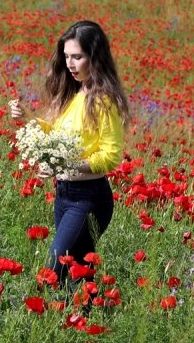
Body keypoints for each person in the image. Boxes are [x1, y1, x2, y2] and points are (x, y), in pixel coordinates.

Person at [9, 20, 130, 297]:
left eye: (78, 57)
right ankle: (92, 326)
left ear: (94, 58)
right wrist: (28, 120)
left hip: (89, 198)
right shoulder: (74, 94)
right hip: (64, 194)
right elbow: (58, 135)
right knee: (77, 272)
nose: (71, 64)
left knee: (54, 268)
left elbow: (110, 157)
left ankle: (41, 322)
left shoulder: (103, 100)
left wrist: (64, 165)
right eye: (66, 57)